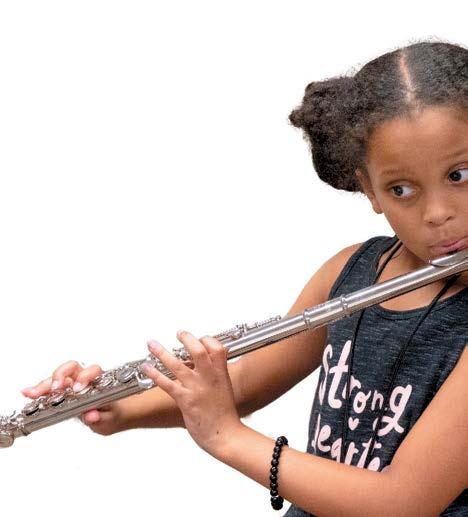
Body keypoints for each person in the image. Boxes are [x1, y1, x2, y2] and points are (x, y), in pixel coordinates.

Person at [21, 40, 468, 515]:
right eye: (401, 189)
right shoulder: (350, 270)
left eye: (459, 175)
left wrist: (227, 437)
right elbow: (244, 380)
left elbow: (402, 502)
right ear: (369, 189)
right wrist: (117, 407)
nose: (437, 213)